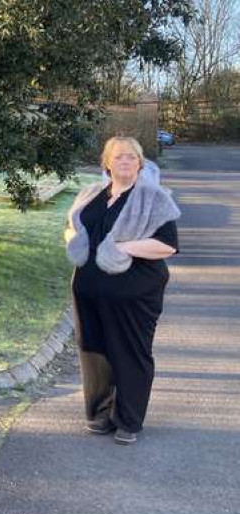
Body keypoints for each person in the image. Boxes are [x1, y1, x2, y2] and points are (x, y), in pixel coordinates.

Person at [65, 136, 179, 445]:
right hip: (89, 292)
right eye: (118, 157)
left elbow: (167, 246)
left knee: (129, 352)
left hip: (134, 294)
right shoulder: (92, 195)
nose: (124, 162)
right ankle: (100, 413)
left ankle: (129, 419)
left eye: (131, 157)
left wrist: (121, 247)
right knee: (94, 352)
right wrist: (72, 239)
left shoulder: (154, 199)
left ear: (140, 163)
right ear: (107, 163)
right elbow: (73, 227)